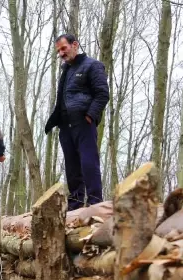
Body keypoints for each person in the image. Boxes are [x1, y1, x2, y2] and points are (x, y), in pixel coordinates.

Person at [45, 34, 110, 211]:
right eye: (58, 50)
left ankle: (95, 202)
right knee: (72, 167)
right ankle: (75, 205)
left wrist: (90, 115)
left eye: (63, 48)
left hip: (83, 122)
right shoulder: (65, 72)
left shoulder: (92, 65)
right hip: (66, 126)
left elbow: (103, 94)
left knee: (88, 162)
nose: (61, 53)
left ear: (75, 45)